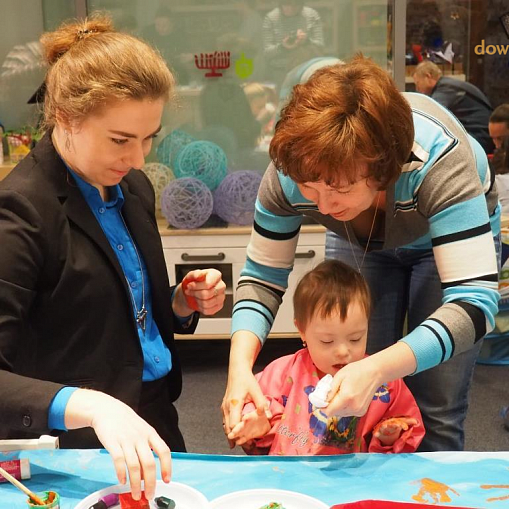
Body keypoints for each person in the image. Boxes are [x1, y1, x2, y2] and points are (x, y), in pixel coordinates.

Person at [222, 56, 500, 453]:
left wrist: (377, 368)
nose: (323, 205)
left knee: (437, 405)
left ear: (383, 169)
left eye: (339, 188)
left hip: (444, 240)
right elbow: (261, 278)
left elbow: (473, 305)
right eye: (310, 188)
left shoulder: (440, 160)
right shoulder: (290, 173)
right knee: (352, 399)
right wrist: (239, 371)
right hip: (365, 239)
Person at [0, 14, 226, 501]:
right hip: (75, 446)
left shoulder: (132, 185)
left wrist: (178, 303)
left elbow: (106, 304)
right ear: (65, 116)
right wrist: (92, 407)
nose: (140, 159)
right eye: (121, 140)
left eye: (150, 138)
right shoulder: (21, 212)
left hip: (153, 413)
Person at [228, 260, 425, 455]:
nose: (342, 351)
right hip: (290, 475)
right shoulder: (283, 373)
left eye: (355, 338)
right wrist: (256, 423)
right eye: (327, 341)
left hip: (353, 480)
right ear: (302, 331)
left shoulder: (383, 381)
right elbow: (254, 407)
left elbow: (405, 426)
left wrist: (389, 435)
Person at [412, 60, 494, 154]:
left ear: (428, 76)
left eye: (417, 83)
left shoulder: (446, 89)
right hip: (479, 133)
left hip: (480, 136)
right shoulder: (448, 85)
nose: (417, 89)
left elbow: (430, 114)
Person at [262, 0, 324, 86]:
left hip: (306, 69)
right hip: (280, 71)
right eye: (287, 3)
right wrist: (283, 47)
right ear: (280, 3)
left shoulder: (311, 15)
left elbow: (320, 48)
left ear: (301, 3)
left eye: (296, 4)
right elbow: (267, 53)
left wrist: (307, 41)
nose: (291, 8)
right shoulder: (271, 18)